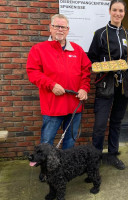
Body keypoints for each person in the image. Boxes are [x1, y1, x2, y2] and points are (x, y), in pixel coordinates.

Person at [26, 14, 91, 150]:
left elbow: (86, 71)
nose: (60, 30)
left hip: (74, 104)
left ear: (68, 30)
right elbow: (33, 72)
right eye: (57, 26)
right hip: (52, 106)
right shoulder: (38, 49)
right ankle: (46, 170)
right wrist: (52, 85)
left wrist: (84, 88)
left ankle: (66, 169)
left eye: (64, 27)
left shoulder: (77, 50)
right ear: (50, 28)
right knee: (46, 143)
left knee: (70, 142)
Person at [88, 0, 128, 170]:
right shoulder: (100, 34)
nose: (118, 13)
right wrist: (104, 65)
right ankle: (95, 159)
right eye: (115, 10)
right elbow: (91, 59)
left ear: (124, 13)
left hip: (123, 86)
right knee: (100, 125)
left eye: (121, 10)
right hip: (105, 85)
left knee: (116, 122)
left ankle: (113, 155)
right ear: (109, 11)